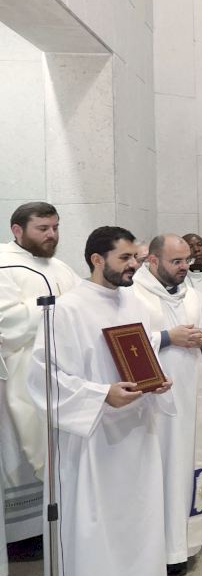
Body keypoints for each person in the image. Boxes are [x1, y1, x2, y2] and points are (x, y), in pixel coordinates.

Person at [28, 226, 174, 576]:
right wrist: (101, 394)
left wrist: (157, 381)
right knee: (98, 526)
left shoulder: (135, 303)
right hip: (93, 439)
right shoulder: (66, 309)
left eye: (135, 258)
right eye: (124, 258)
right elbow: (43, 377)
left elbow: (142, 357)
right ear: (97, 259)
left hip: (137, 433)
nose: (134, 265)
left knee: (137, 518)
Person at [131, 233, 202, 576]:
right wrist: (167, 337)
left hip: (191, 398)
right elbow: (125, 342)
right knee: (162, 473)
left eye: (187, 261)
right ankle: (162, 553)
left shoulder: (192, 294)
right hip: (154, 405)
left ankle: (186, 544)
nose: (185, 267)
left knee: (188, 467)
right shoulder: (134, 294)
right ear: (152, 260)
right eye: (176, 261)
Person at [1, 202, 80, 550]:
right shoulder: (3, 263)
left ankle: (56, 526)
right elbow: (7, 322)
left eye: (55, 227)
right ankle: (24, 537)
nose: (52, 235)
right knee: (22, 456)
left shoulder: (61, 267)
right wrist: (55, 307)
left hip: (62, 371)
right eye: (43, 229)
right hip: (20, 375)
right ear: (17, 230)